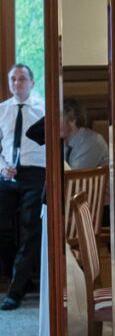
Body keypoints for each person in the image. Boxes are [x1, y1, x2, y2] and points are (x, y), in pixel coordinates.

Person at [0, 64, 45, 310]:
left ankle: (15, 291)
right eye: (13, 79)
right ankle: (19, 277)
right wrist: (2, 167)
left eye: (22, 79)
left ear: (32, 83)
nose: (17, 83)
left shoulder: (43, 109)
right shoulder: (2, 110)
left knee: (30, 227)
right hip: (7, 173)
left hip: (36, 173)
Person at [60, 98, 108, 169]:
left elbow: (75, 174)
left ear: (72, 120)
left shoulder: (92, 141)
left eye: (57, 119)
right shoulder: (64, 142)